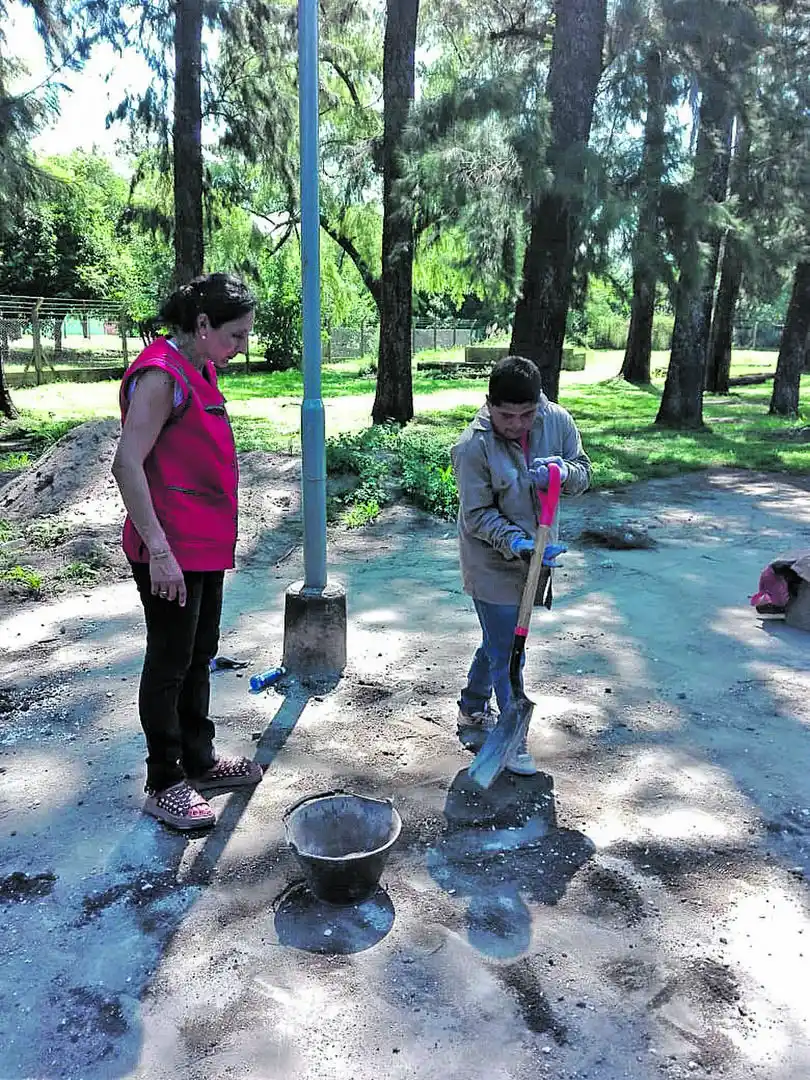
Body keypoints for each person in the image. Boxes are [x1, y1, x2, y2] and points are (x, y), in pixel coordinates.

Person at [112, 273, 263, 831]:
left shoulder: (200, 367)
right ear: (202, 325)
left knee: (200, 654)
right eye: (235, 334)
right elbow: (127, 465)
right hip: (168, 551)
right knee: (170, 662)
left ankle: (199, 760)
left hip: (203, 546)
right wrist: (159, 552)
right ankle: (164, 781)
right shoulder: (160, 375)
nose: (242, 345)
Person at [451, 354, 592, 775]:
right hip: (490, 561)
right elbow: (477, 515)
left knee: (501, 641)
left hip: (537, 558)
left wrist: (563, 473)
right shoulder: (472, 446)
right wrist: (516, 541)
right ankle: (513, 736)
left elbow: (584, 473)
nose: (517, 425)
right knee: (508, 651)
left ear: (539, 404)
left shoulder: (557, 421)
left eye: (527, 415)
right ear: (489, 404)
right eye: (506, 416)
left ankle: (472, 706)